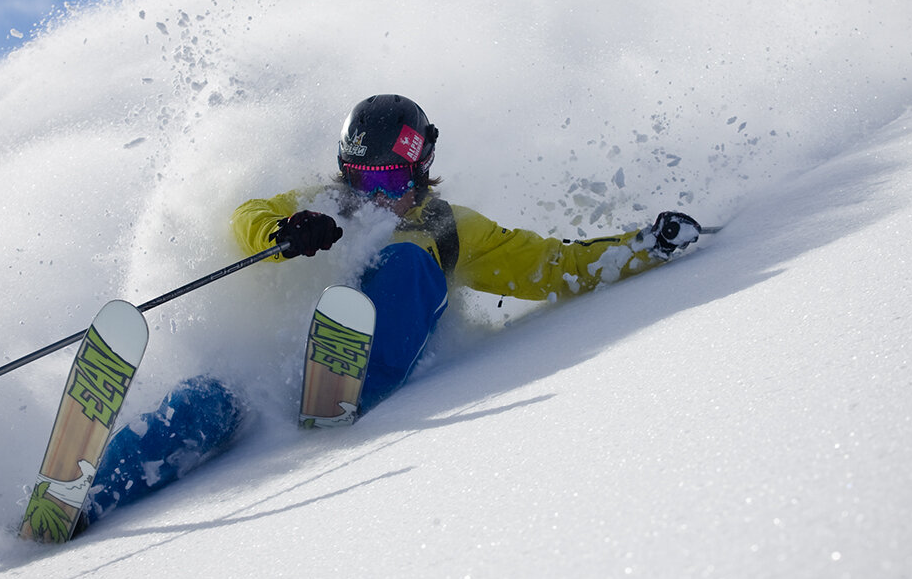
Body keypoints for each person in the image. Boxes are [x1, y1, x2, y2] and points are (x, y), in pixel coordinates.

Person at [231, 93, 703, 413]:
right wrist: (281, 232)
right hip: (292, 370)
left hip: (379, 358)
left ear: (419, 171)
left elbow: (556, 266)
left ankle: (352, 384)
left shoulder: (451, 230)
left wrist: (645, 246)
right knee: (210, 399)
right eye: (360, 178)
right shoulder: (324, 205)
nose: (373, 196)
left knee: (406, 262)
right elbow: (246, 214)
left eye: (388, 179)